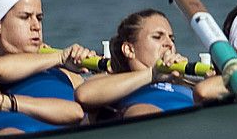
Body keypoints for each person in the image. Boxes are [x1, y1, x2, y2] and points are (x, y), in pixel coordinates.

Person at [0, 0, 92, 130]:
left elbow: (86, 91)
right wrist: (60, 57)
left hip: (75, 128)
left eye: (39, 18)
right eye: (25, 17)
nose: (36, 26)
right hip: (18, 134)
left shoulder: (56, 68)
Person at [76, 9, 225, 118]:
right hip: (151, 137)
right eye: (157, 37)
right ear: (129, 49)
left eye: (171, 39)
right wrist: (153, 74)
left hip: (199, 133)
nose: (169, 44)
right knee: (141, 111)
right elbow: (84, 95)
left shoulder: (185, 82)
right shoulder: (112, 80)